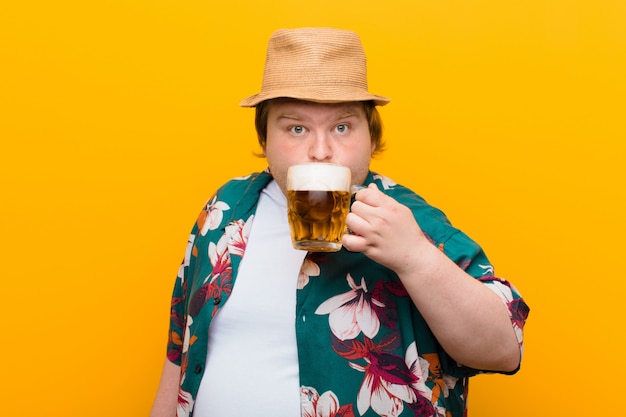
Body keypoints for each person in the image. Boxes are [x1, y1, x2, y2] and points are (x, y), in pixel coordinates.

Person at [149, 27, 529, 417]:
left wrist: (415, 257)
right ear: (264, 138)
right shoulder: (226, 210)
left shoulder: (406, 218)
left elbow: (503, 350)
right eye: (296, 128)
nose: (320, 151)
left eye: (342, 127)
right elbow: (180, 350)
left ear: (372, 137)